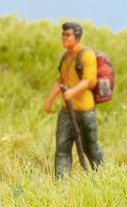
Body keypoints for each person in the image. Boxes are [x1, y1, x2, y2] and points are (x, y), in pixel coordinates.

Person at [43, 20, 104, 176]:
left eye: (68, 35)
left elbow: (90, 81)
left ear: (77, 37)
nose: (64, 37)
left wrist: (72, 92)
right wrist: (49, 102)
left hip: (84, 110)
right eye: (63, 34)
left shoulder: (87, 55)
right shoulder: (65, 57)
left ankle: (104, 176)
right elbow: (60, 82)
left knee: (91, 146)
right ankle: (61, 184)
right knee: (62, 147)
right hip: (66, 110)